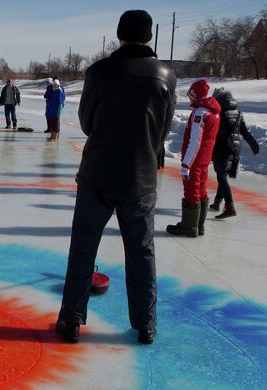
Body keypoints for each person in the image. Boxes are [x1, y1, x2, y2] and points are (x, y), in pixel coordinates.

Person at [56, 10, 176, 345]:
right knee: (141, 253)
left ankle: (70, 321)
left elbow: (86, 123)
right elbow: (162, 130)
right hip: (140, 179)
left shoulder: (99, 72)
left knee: (83, 249)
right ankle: (146, 325)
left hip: (97, 175)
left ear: (120, 34)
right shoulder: (166, 75)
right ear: (149, 36)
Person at [166, 79, 221, 237]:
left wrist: (186, 164)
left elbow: (195, 141)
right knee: (201, 190)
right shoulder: (214, 112)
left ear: (195, 96)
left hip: (195, 160)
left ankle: (189, 227)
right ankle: (199, 226)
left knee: (191, 190)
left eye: (190, 95)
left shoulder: (200, 113)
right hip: (204, 159)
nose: (189, 99)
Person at [209, 88, 260, 219]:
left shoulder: (219, 113)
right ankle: (217, 202)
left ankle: (230, 206)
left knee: (221, 176)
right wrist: (253, 144)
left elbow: (216, 133)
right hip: (234, 148)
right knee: (223, 174)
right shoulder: (237, 112)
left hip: (223, 147)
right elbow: (244, 131)